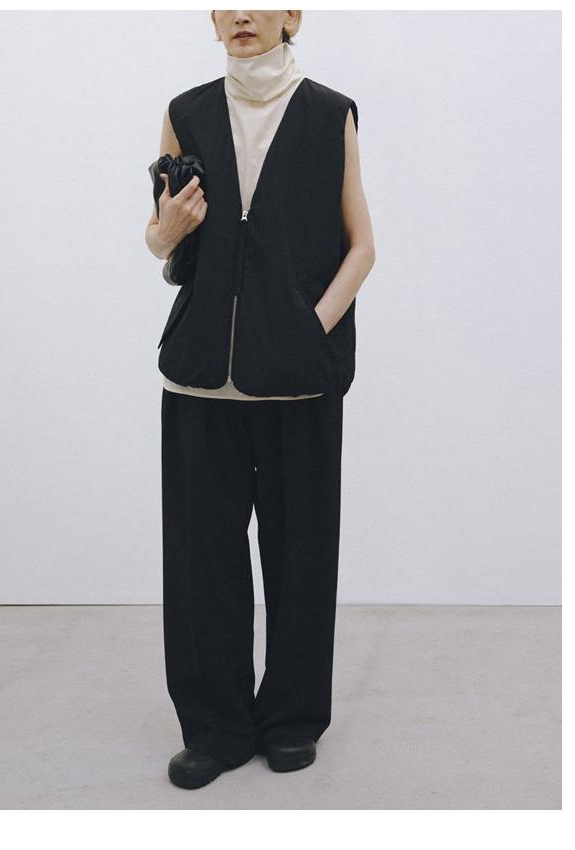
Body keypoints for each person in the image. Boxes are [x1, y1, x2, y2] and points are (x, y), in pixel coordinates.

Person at [144, 10, 374, 790]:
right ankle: (214, 727)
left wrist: (311, 328)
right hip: (199, 373)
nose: (243, 13)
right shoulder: (186, 111)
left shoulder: (330, 113)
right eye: (226, 3)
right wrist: (165, 232)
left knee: (301, 551)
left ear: (292, 16)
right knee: (200, 558)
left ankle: (292, 718)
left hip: (300, 375)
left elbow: (363, 245)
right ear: (213, 20)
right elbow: (160, 241)